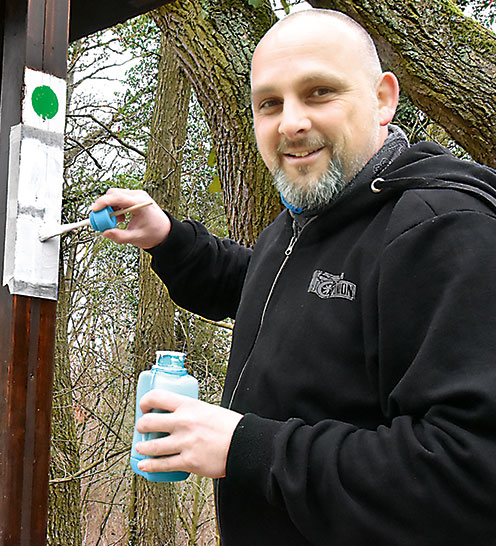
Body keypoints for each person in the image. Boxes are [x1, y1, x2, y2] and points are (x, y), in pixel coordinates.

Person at [92, 8, 496, 546]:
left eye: (319, 92)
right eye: (270, 103)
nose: (290, 122)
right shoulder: (304, 221)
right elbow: (268, 289)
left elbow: (469, 475)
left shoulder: (442, 230)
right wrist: (167, 237)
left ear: (382, 98)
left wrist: (244, 447)